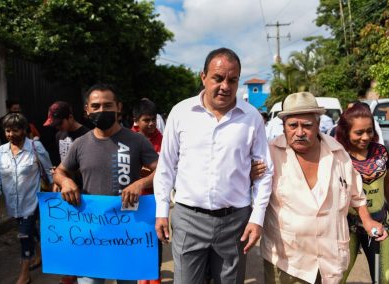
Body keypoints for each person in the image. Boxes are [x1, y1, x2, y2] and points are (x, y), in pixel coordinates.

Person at [153, 47, 273, 284]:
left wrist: (257, 218)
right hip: (188, 219)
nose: (225, 86)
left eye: (233, 80)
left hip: (234, 222)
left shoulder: (251, 118)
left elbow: (264, 172)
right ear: (203, 77)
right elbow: (166, 166)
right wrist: (161, 211)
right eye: (218, 78)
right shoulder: (181, 112)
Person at [259, 92, 387, 283]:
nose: (300, 132)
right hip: (288, 261)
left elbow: (356, 195)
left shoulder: (337, 152)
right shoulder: (269, 155)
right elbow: (252, 194)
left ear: (318, 125)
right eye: (293, 125)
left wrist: (368, 221)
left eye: (307, 125)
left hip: (330, 258)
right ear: (284, 127)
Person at [52, 83, 159, 284]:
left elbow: (162, 170)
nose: (102, 110)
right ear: (87, 110)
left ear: (119, 107)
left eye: (108, 105)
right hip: (91, 232)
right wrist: (65, 181)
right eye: (96, 106)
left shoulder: (136, 141)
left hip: (127, 231)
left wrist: (140, 183)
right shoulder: (80, 144)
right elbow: (59, 171)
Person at [336, 103, 389, 283]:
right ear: (346, 132)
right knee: (336, 278)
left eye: (369, 131)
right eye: (359, 132)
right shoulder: (339, 157)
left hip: (379, 224)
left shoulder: (381, 152)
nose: (365, 137)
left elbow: (388, 183)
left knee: (382, 279)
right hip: (348, 228)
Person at [0, 113, 53, 284]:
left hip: (32, 201)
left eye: (15, 130)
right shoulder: (0, 152)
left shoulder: (36, 147)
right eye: (7, 131)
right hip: (13, 204)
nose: (10, 135)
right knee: (28, 230)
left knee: (24, 235)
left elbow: (49, 172)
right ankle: (40, 254)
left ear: (23, 130)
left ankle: (24, 274)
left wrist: (53, 195)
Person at [43, 101, 89, 284]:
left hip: (86, 193)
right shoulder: (60, 135)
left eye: (59, 123)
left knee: (84, 235)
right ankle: (71, 272)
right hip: (65, 194)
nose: (57, 127)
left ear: (70, 117)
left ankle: (85, 272)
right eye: (54, 125)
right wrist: (59, 180)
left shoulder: (87, 135)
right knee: (68, 234)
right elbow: (61, 164)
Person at [131, 99, 163, 284]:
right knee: (136, 242)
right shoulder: (127, 139)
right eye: (146, 120)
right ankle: (142, 278)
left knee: (154, 241)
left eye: (153, 120)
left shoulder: (162, 139)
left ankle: (154, 276)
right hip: (133, 202)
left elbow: (167, 169)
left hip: (155, 201)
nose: (151, 124)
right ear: (136, 120)